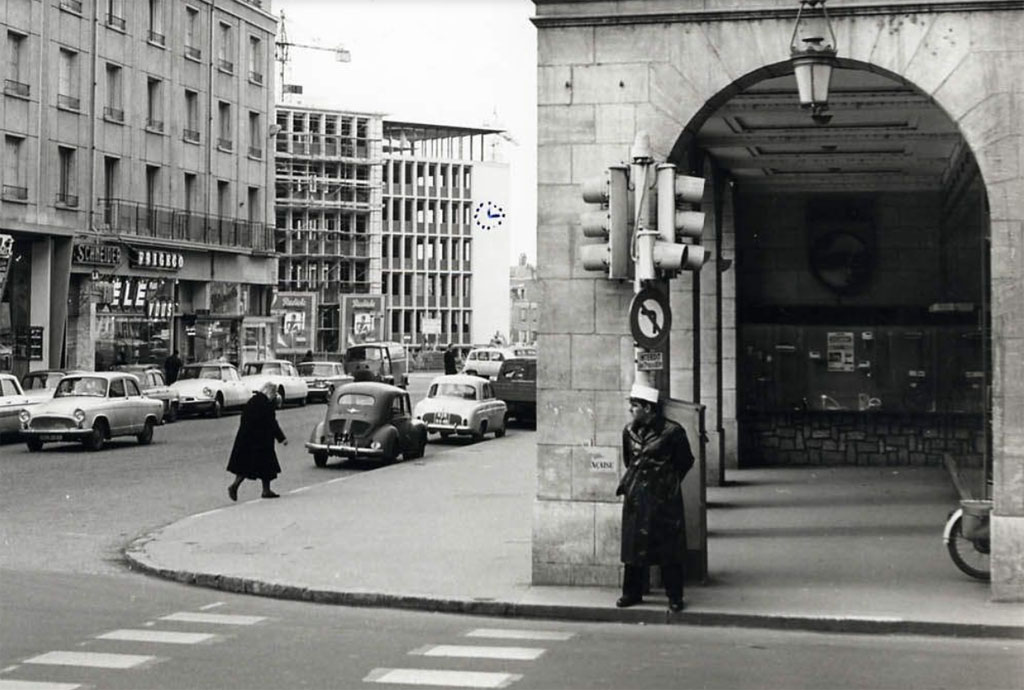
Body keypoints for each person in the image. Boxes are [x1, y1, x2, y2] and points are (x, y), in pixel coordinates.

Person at [616, 382, 694, 613]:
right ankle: (632, 592)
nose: (631, 409)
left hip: (663, 498)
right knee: (634, 547)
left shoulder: (673, 431)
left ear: (648, 408)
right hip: (636, 495)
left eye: (635, 405)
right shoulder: (628, 431)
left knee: (669, 549)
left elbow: (685, 461)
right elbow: (629, 460)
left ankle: (675, 595)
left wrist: (668, 482)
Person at [227, 381, 288, 501]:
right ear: (270, 393)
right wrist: (282, 438)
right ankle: (265, 490)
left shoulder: (252, 401)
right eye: (274, 393)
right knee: (267, 465)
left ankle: (236, 485)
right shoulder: (267, 404)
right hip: (261, 440)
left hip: (246, 438)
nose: (275, 396)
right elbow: (272, 423)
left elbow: (244, 418)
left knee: (247, 465)